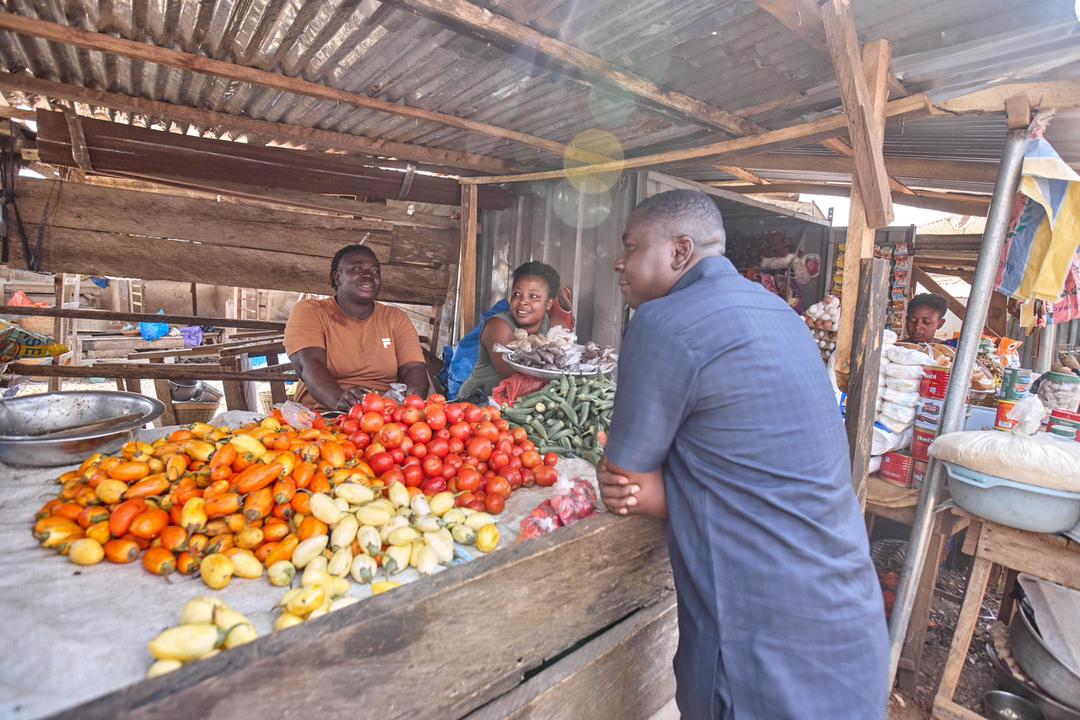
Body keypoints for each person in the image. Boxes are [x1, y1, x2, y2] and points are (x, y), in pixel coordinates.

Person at [598, 190, 888, 719]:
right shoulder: (780, 314)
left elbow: (626, 480)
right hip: (846, 610)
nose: (620, 261)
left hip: (758, 629)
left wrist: (663, 487)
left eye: (631, 245)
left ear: (680, 251)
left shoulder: (663, 322)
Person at [284, 244, 428, 411]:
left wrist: (411, 396)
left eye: (375, 271)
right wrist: (340, 400)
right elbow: (308, 365)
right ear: (337, 277)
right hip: (324, 415)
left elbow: (413, 367)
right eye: (357, 269)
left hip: (384, 416)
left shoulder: (395, 318)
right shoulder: (311, 312)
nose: (368, 275)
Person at [456, 261, 567, 401]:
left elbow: (567, 362)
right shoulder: (498, 327)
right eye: (517, 294)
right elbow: (516, 380)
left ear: (549, 303)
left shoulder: (555, 327)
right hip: (478, 402)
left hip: (524, 403)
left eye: (533, 296)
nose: (522, 302)